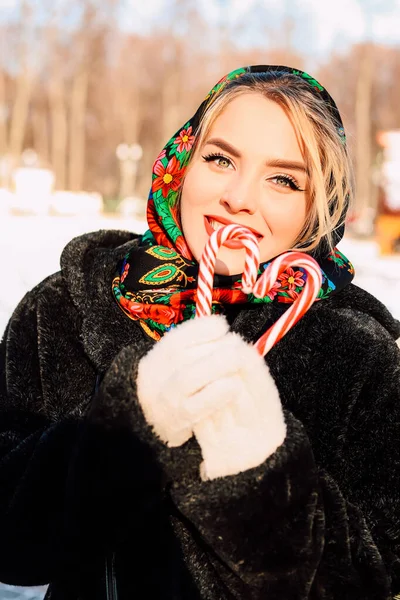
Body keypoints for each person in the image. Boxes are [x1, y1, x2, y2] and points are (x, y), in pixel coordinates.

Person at [0, 65, 399, 600]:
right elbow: (11, 542)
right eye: (220, 159)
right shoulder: (66, 311)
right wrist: (124, 426)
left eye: (283, 179)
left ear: (315, 208)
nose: (239, 197)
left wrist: (259, 473)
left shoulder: (354, 355)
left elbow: (372, 579)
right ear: (182, 164)